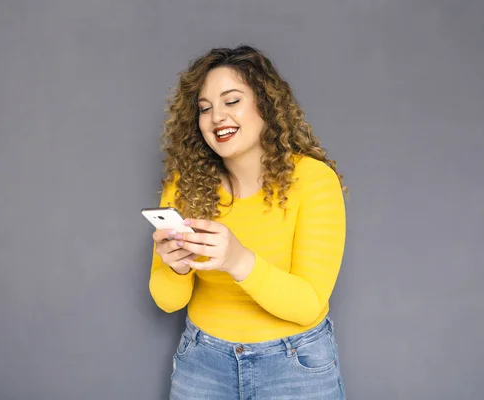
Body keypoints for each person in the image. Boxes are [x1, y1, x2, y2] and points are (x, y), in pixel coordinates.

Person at [148, 45, 347, 399]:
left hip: (294, 366)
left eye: (231, 101)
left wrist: (239, 260)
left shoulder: (314, 180)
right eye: (205, 108)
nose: (216, 117)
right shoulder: (183, 186)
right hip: (203, 364)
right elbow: (167, 302)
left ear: (266, 106)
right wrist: (176, 269)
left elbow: (307, 304)